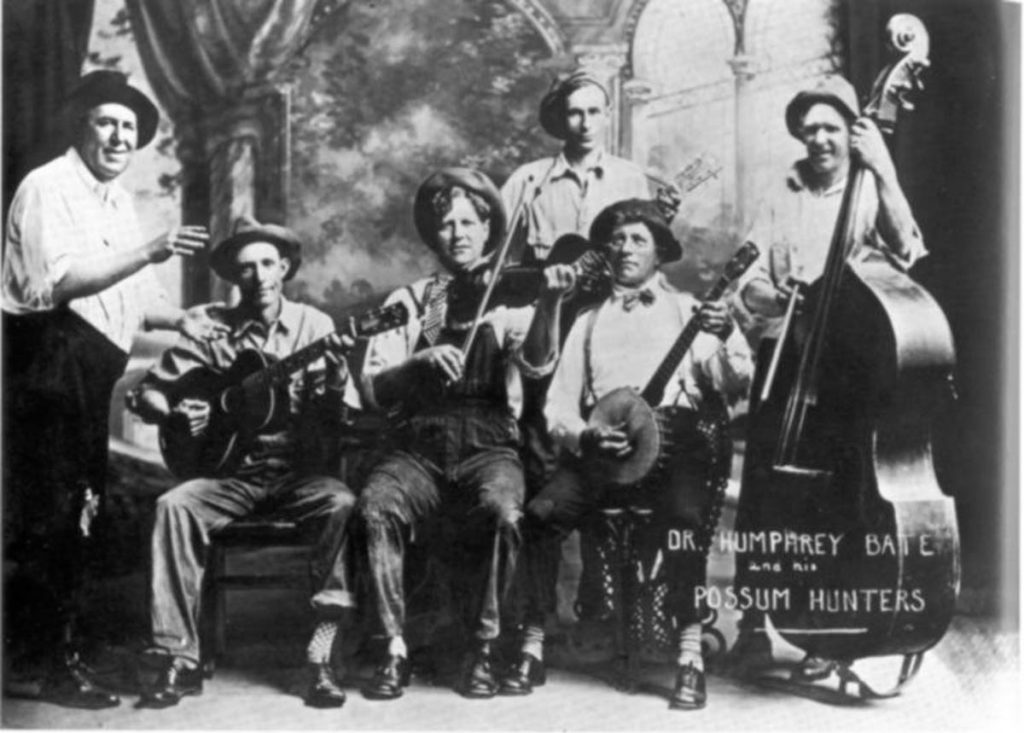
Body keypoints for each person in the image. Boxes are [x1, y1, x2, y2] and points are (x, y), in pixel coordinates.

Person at [2, 70, 226, 709]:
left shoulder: (117, 203)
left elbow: (133, 297)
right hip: (47, 362)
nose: (119, 136)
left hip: (90, 366)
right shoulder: (46, 186)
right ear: (81, 126)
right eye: (107, 122)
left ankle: (67, 651)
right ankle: (48, 664)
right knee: (54, 512)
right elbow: (59, 282)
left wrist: (180, 316)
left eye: (129, 127)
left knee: (86, 510)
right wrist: (151, 251)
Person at [335, 167, 574, 701]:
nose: (459, 234)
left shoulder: (509, 296)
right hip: (416, 447)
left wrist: (551, 305)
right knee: (374, 507)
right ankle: (392, 646)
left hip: (490, 445)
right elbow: (373, 388)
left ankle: (484, 646)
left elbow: (536, 366)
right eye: (447, 224)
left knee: (503, 513)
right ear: (433, 234)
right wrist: (416, 362)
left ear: (489, 230)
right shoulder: (417, 299)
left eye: (470, 223)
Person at [512, 199, 752, 709]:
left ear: (660, 252)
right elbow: (558, 405)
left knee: (685, 522)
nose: (625, 249)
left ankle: (689, 655)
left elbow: (735, 385)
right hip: (604, 454)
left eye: (638, 239)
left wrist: (727, 332)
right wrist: (586, 437)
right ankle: (531, 642)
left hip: (675, 447)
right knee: (539, 515)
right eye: (617, 240)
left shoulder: (690, 310)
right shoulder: (588, 320)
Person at [727, 75, 928, 676]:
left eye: (830, 128)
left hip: (849, 362)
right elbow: (749, 276)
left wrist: (885, 171)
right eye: (809, 128)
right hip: (787, 354)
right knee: (763, 492)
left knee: (838, 498)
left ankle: (822, 636)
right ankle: (753, 627)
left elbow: (909, 249)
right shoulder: (780, 189)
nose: (818, 139)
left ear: (851, 133)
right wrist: (771, 293)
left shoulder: (869, 188)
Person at [126, 217, 359, 709]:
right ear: (234, 276)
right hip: (229, 474)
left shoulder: (316, 328)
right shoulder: (211, 327)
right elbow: (146, 394)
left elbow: (340, 418)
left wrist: (336, 374)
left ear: (285, 268)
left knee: (340, 502)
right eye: (246, 267)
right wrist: (176, 411)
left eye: (267, 264)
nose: (258, 276)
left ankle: (320, 654)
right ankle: (177, 656)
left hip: (297, 473)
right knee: (174, 505)